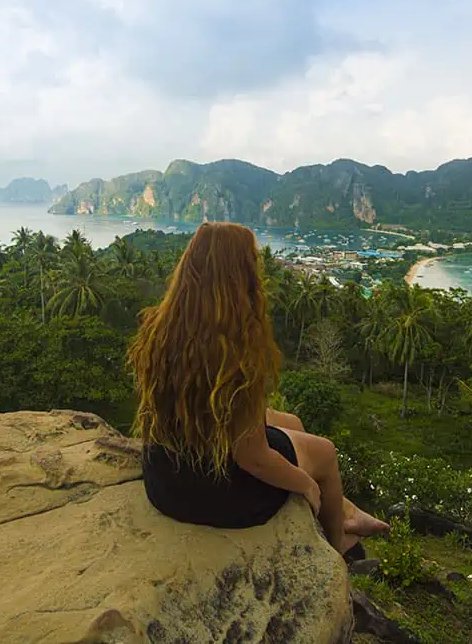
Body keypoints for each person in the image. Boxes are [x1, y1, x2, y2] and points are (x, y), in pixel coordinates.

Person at [130, 221, 388, 555]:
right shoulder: (235, 350)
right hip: (213, 495)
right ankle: (339, 542)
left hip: (165, 479)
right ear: (242, 276)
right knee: (323, 451)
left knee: (290, 423)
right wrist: (305, 484)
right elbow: (253, 459)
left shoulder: (159, 328)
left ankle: (347, 512)